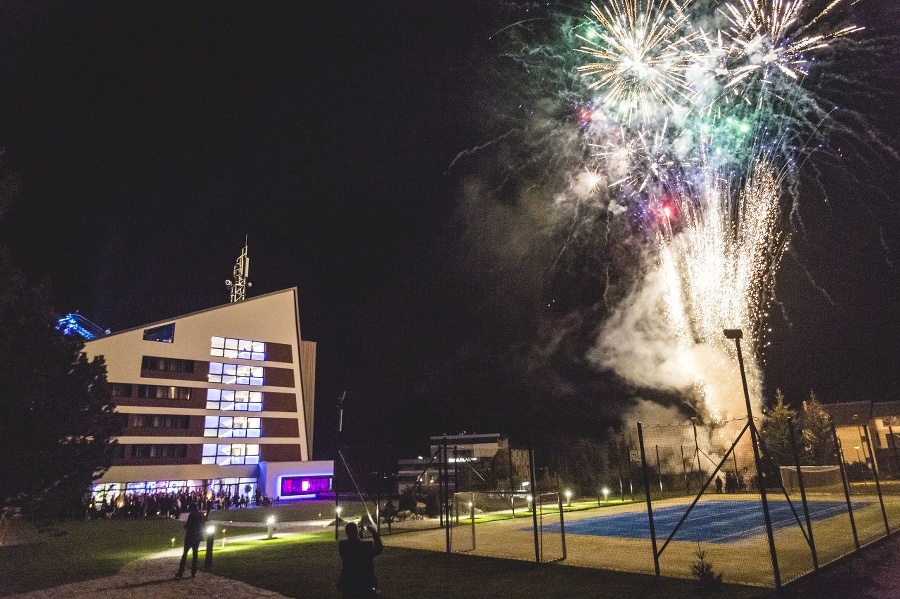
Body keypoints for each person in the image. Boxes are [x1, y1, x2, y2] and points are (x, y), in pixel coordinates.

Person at [337, 521, 383, 598]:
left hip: (349, 581)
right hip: (365, 580)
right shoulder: (366, 546)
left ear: (346, 532)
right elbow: (378, 549)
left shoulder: (343, 546)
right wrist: (374, 533)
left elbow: (351, 544)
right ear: (357, 532)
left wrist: (358, 533)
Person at [176, 504, 205, 578]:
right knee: (195, 554)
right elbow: (203, 525)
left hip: (190, 536)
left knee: (185, 554)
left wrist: (185, 526)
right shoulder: (200, 515)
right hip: (197, 537)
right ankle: (193, 572)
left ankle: (180, 572)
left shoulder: (192, 515)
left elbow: (188, 525)